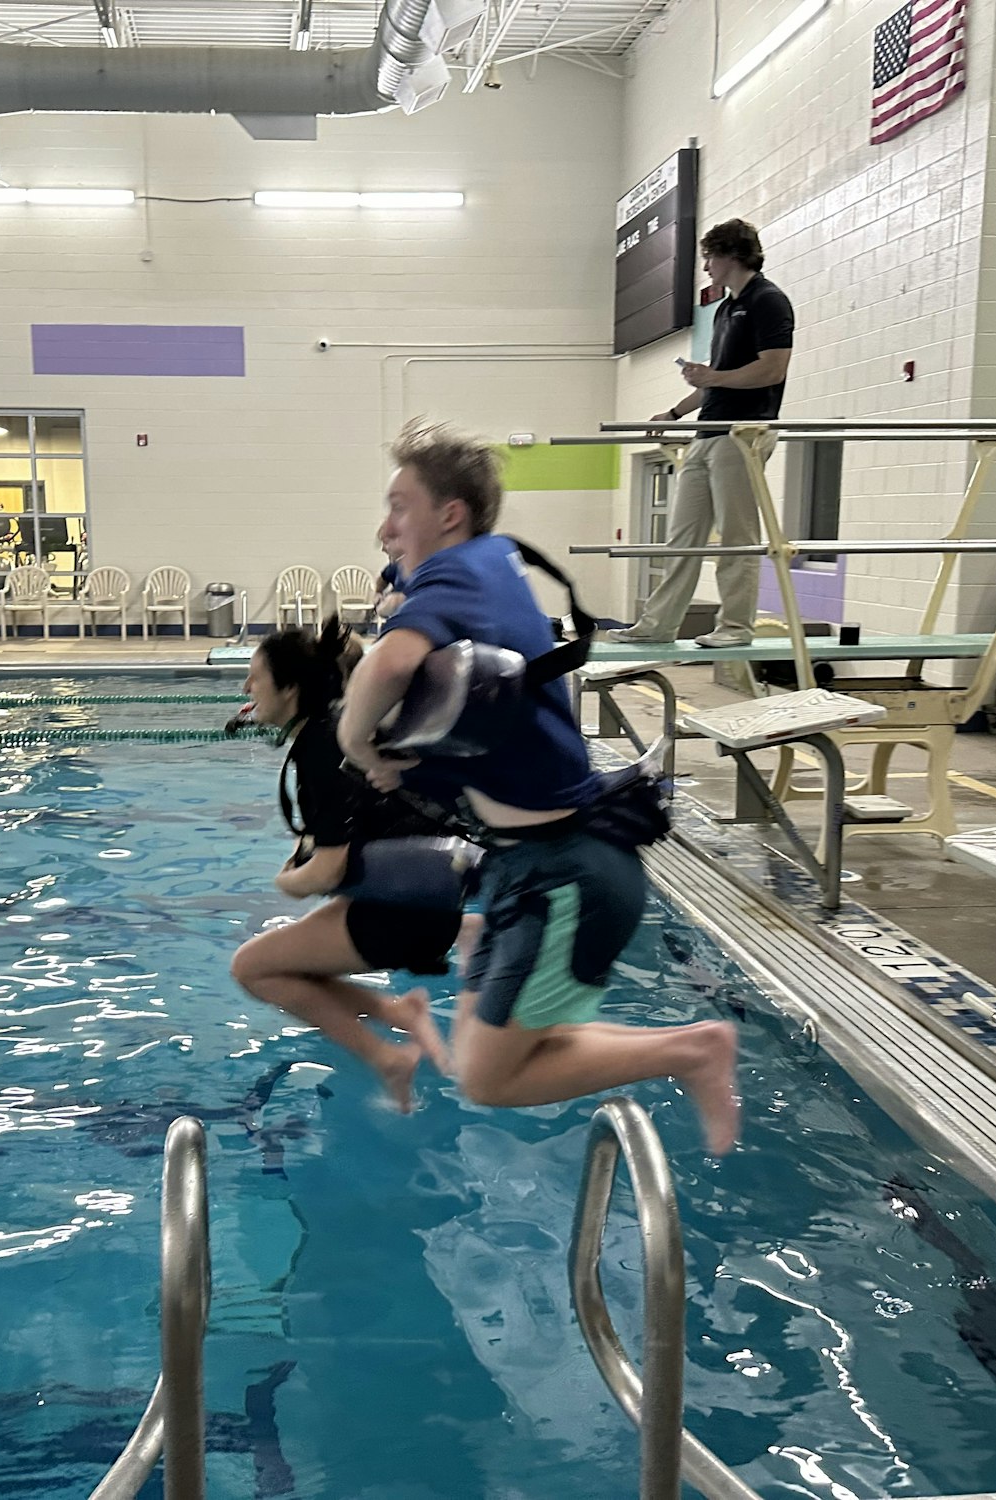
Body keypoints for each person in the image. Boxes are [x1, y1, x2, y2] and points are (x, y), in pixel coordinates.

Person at [337, 420, 741, 1154]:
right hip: (533, 868)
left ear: (449, 513)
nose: (384, 527)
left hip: (566, 873)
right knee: (480, 1055)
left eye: (401, 506)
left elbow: (389, 665)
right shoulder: (490, 566)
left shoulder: (459, 572)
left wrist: (356, 741)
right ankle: (683, 1046)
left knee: (486, 1080)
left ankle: (694, 1050)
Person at [228, 618, 462, 1112]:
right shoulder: (337, 724)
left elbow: (329, 871)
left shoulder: (316, 747)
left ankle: (386, 1056)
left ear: (290, 688)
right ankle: (401, 1011)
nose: (247, 687)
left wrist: (289, 881)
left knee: (253, 969)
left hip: (404, 916)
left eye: (255, 676)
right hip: (422, 901)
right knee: (288, 965)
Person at [611, 218, 795, 649]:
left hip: (744, 432)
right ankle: (657, 625)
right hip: (707, 431)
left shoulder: (769, 301)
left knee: (737, 536)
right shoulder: (727, 308)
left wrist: (713, 376)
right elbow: (718, 378)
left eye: (710, 257)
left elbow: (773, 368)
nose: (706, 266)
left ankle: (735, 627)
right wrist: (675, 412)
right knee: (683, 537)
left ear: (731, 255)